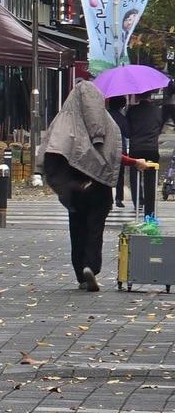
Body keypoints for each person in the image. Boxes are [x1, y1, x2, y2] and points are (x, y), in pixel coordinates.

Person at [43, 81, 146, 290]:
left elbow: (53, 149)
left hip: (75, 187)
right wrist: (134, 162)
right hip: (100, 186)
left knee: (77, 228)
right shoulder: (107, 123)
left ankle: (81, 274)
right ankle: (91, 266)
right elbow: (114, 153)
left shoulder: (64, 122)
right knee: (94, 229)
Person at [127, 90, 164, 218]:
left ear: (137, 96)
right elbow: (159, 128)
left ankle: (138, 203)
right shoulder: (159, 111)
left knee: (135, 177)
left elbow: (128, 130)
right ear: (150, 95)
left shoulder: (132, 111)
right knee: (150, 181)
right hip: (152, 149)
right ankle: (150, 212)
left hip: (136, 148)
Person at [106, 96, 136, 209]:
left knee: (107, 174)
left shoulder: (105, 116)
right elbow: (128, 133)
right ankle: (119, 198)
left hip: (106, 148)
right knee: (120, 175)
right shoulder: (122, 118)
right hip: (120, 149)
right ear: (121, 105)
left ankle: (108, 199)